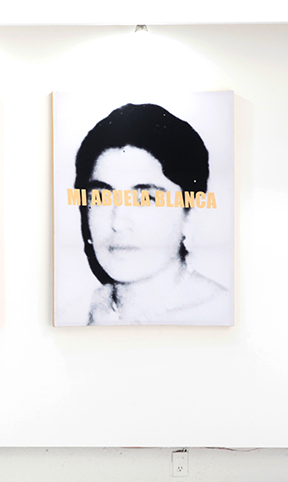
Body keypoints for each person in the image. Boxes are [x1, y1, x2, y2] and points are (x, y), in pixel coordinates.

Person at [73, 103, 229, 325]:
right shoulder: (71, 313)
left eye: (146, 199)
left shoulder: (220, 313)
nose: (118, 222)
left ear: (191, 213)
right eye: (101, 198)